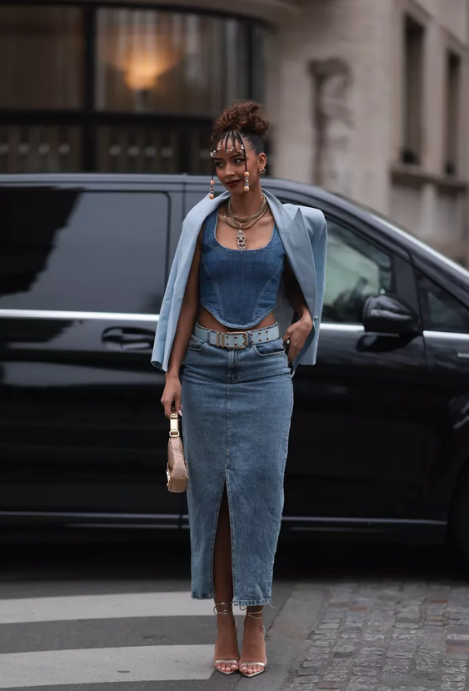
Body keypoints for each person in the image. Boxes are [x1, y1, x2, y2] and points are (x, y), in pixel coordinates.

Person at [151, 101, 327, 678]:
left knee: (260, 499)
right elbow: (186, 300)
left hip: (265, 372)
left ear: (260, 160)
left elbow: (306, 291)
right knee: (216, 504)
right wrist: (173, 374)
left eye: (238, 159)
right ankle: (223, 621)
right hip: (202, 369)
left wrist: (306, 319)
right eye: (220, 161)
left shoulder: (292, 224)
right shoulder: (202, 221)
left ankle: (256, 620)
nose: (229, 171)